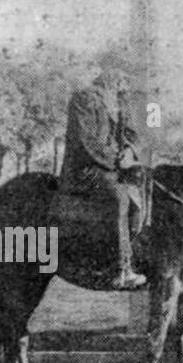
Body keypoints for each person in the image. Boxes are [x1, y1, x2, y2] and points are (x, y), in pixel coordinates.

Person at [58, 66, 146, 289]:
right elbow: (88, 143)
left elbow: (133, 135)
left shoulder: (120, 101)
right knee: (118, 197)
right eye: (121, 76)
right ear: (109, 73)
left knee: (146, 190)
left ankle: (139, 256)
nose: (123, 82)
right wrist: (118, 160)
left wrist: (130, 151)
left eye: (125, 78)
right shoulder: (84, 98)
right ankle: (120, 269)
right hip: (86, 169)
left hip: (113, 166)